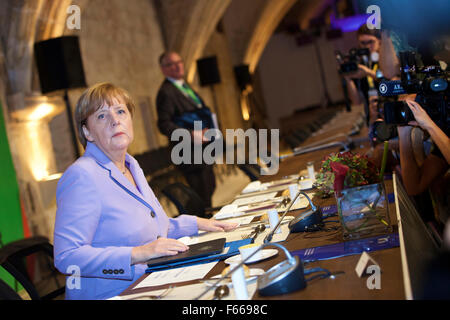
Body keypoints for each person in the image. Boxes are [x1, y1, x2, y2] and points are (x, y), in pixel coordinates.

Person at [53, 83, 237, 300]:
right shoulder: (82, 175)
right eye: (102, 116)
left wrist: (197, 223)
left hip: (150, 280)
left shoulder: (130, 165)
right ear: (87, 132)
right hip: (113, 294)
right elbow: (67, 257)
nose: (115, 120)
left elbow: (154, 229)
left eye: (121, 111)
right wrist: (138, 253)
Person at [156, 51, 217, 207]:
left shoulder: (184, 87)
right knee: (202, 195)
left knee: (209, 189)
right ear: (163, 69)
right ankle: (202, 226)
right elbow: (164, 124)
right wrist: (190, 134)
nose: (177, 66)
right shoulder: (166, 92)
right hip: (188, 152)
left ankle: (200, 222)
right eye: (171, 64)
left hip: (203, 149)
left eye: (179, 62)